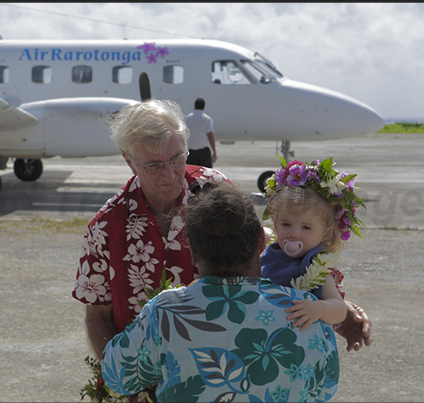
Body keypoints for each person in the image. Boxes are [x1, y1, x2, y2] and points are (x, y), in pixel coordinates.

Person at [102, 183, 340, 402]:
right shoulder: (308, 310)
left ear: (192, 250)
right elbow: (326, 387)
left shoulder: (165, 312)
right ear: (261, 241)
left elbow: (116, 376)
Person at [72, 99, 231, 360]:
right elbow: (97, 315)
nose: (170, 175)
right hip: (142, 382)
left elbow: (253, 271)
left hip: (219, 369)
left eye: (177, 158)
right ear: (129, 161)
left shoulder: (216, 190)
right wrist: (122, 378)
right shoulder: (105, 228)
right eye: (155, 166)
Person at [261, 157, 365, 332]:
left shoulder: (315, 267)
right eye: (286, 224)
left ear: (326, 233)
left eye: (306, 227)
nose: (293, 233)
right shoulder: (268, 254)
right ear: (275, 221)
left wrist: (319, 309)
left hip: (299, 339)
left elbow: (339, 310)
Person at [185, 97, 217, 168]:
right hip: (204, 152)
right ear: (204, 107)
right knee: (206, 175)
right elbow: (210, 135)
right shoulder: (207, 119)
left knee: (191, 176)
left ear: (194, 106)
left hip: (191, 152)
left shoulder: (187, 118)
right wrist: (214, 152)